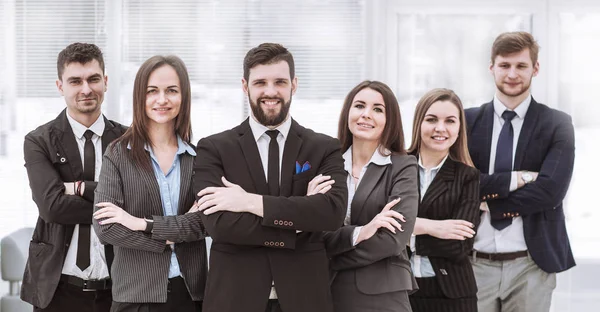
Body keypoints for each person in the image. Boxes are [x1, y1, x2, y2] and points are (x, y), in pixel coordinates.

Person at [190, 43, 347, 312]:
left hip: (305, 297)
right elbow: (220, 225)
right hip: (234, 298)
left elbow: (331, 213)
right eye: (260, 82)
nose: (270, 91)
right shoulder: (213, 148)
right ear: (245, 86)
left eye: (280, 82)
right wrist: (300, 218)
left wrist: (249, 202)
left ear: (294, 85)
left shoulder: (324, 147)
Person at [466, 31, 576, 312]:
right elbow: (459, 185)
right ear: (491, 67)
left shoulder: (557, 124)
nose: (512, 74)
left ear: (535, 68)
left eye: (521, 65)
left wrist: (489, 202)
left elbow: (550, 192)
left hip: (531, 265)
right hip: (472, 263)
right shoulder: (466, 121)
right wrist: (520, 178)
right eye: (504, 65)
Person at [92, 55, 207, 312]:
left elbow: (203, 223)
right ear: (139, 97)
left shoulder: (199, 158)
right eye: (152, 91)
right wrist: (167, 240)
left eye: (172, 91)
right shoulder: (118, 154)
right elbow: (106, 228)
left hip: (190, 293)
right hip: (136, 296)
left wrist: (140, 224)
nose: (162, 99)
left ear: (184, 97)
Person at [20, 42, 127, 311]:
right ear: (60, 86)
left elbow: (138, 202)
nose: (86, 89)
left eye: (93, 79)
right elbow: (52, 207)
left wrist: (77, 188)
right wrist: (114, 205)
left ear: (105, 81)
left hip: (119, 288)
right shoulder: (39, 141)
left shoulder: (129, 141)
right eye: (75, 81)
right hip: (57, 290)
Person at [318, 80, 419, 312]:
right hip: (328, 292)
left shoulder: (402, 166)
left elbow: (393, 239)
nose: (366, 115)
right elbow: (316, 234)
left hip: (382, 295)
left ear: (389, 119)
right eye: (359, 106)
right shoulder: (325, 165)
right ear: (348, 112)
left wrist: (331, 258)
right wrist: (361, 232)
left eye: (377, 109)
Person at [407, 88, 480, 312]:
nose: (441, 128)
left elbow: (460, 245)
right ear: (419, 122)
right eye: (432, 119)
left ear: (459, 128)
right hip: (399, 290)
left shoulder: (467, 176)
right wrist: (434, 228)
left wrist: (407, 235)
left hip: (452, 294)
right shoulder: (397, 166)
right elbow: (377, 223)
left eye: (450, 121)